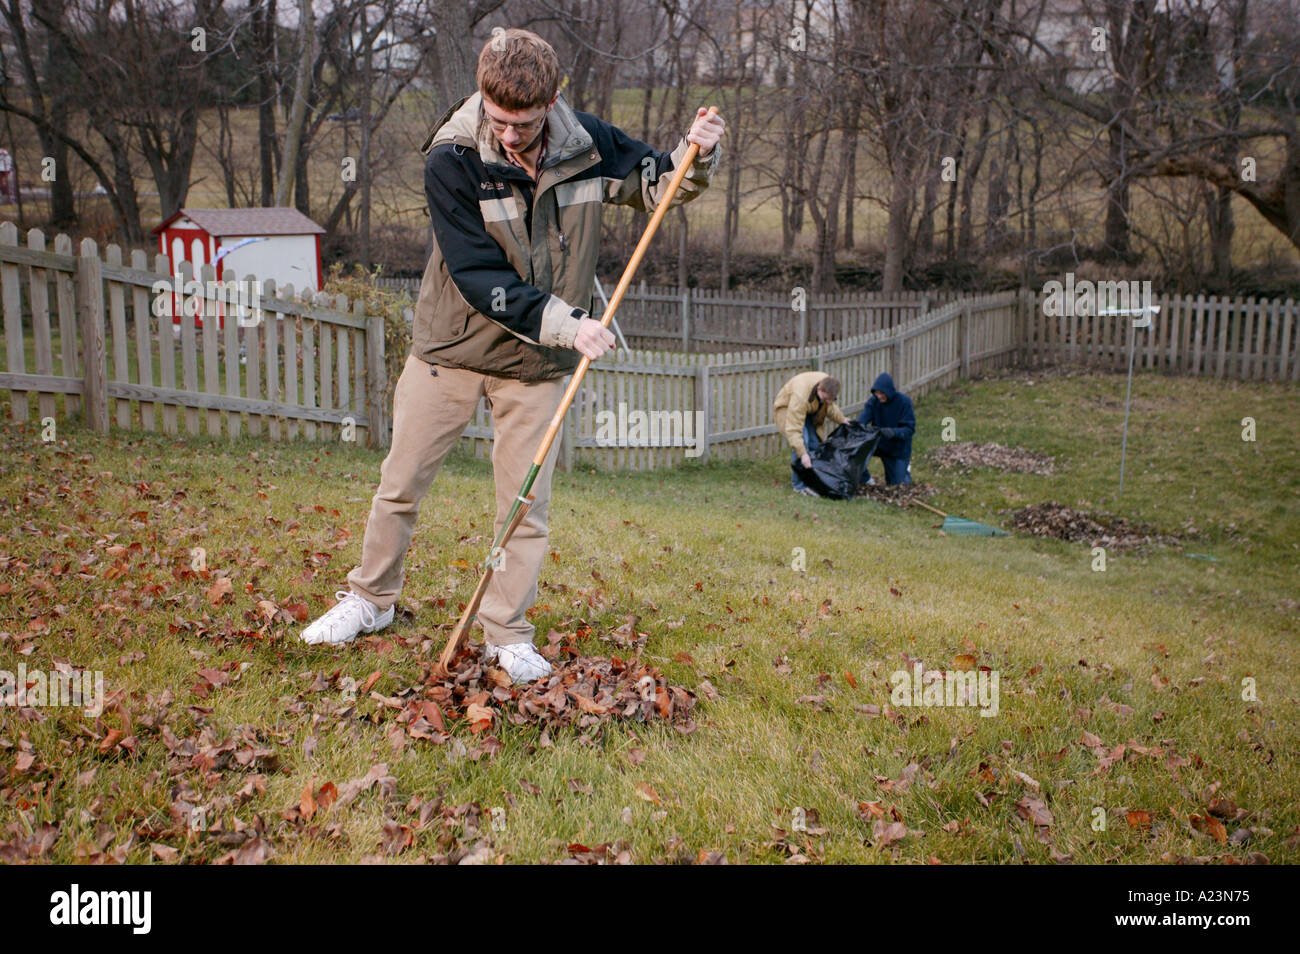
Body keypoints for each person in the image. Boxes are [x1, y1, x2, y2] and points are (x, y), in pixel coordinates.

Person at [300, 28, 725, 684]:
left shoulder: (586, 142)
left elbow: (659, 185)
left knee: (523, 505)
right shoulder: (452, 156)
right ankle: (370, 600)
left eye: (523, 124)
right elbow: (475, 272)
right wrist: (568, 323)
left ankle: (505, 634)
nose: (509, 134)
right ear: (481, 95)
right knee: (400, 483)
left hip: (536, 366)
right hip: (454, 344)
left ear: (552, 101)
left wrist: (696, 155)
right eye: (497, 119)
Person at [773, 371, 846, 496]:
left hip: (807, 411)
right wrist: (803, 454)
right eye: (825, 399)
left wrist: (842, 420)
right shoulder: (800, 395)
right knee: (803, 444)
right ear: (819, 389)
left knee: (814, 444)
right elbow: (794, 430)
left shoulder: (828, 385)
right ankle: (799, 485)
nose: (827, 401)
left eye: (830, 399)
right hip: (788, 409)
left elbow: (830, 407)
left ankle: (811, 479)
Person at [857, 372, 915, 486]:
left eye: (882, 393)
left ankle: (905, 470)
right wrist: (855, 426)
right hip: (879, 444)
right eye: (876, 393)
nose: (879, 396)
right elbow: (863, 419)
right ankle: (866, 480)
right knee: (854, 451)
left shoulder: (904, 402)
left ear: (889, 391)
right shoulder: (874, 402)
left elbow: (909, 429)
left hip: (898, 449)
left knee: (898, 485)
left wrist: (894, 432)